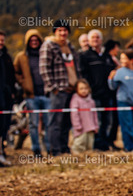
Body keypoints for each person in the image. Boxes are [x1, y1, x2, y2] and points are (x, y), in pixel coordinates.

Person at [40, 19, 78, 156]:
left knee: (67, 122)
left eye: (65, 30)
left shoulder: (70, 46)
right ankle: (54, 150)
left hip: (71, 89)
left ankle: (64, 147)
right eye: (60, 30)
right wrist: (53, 88)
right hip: (58, 90)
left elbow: (76, 67)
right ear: (55, 32)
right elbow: (44, 69)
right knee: (55, 121)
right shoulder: (49, 46)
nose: (63, 33)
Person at [14, 29, 50, 156]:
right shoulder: (21, 57)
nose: (34, 42)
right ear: (27, 42)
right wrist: (23, 83)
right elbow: (15, 72)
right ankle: (36, 149)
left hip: (46, 94)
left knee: (48, 123)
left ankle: (49, 149)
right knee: (33, 124)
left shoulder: (45, 55)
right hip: (31, 95)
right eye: (31, 40)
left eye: (36, 40)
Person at [78, 29, 113, 150]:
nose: (95, 40)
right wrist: (90, 89)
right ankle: (97, 144)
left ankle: (105, 143)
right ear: (88, 40)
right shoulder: (84, 56)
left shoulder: (107, 56)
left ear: (101, 40)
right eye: (93, 37)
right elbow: (83, 75)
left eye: (97, 37)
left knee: (107, 121)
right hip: (94, 94)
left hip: (107, 94)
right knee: (97, 120)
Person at [108, 49, 133, 151]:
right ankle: (129, 147)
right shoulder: (120, 72)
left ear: (131, 60)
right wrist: (110, 79)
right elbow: (113, 87)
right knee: (127, 125)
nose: (122, 61)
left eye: (124, 59)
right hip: (123, 102)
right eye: (121, 59)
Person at [0, 30, 16, 166]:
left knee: (4, 126)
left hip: (5, 98)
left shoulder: (6, 57)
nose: (1, 42)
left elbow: (11, 77)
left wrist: (12, 92)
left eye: (2, 40)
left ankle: (2, 152)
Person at [69, 79, 98, 154]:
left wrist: (96, 125)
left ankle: (88, 157)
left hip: (91, 127)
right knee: (79, 144)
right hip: (81, 129)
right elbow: (74, 114)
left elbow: (94, 114)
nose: (84, 90)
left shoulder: (91, 101)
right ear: (77, 90)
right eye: (81, 89)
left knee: (89, 145)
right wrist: (77, 125)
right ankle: (77, 157)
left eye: (85, 88)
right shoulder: (75, 100)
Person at [103, 39, 121, 150]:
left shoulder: (114, 60)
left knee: (114, 120)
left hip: (114, 94)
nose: (118, 50)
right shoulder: (107, 59)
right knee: (109, 119)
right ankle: (107, 141)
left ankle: (111, 141)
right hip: (108, 93)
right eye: (117, 48)